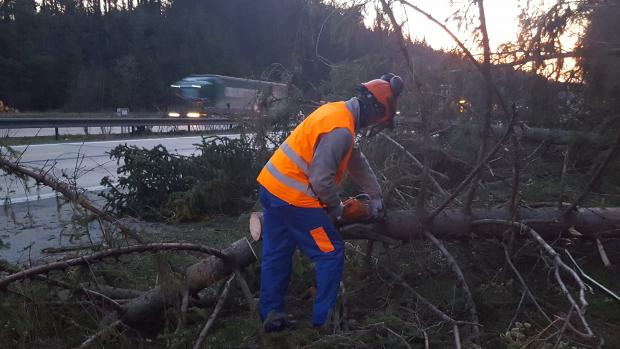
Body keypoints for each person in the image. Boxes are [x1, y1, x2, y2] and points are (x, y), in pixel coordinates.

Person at [256, 73, 404, 331]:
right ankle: (325, 320)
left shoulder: (337, 112)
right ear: (373, 110)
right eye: (378, 121)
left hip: (271, 187)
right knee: (330, 252)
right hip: (294, 199)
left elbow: (356, 160)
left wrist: (375, 195)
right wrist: (336, 211)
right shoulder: (341, 131)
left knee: (277, 253)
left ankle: (271, 316)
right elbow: (321, 180)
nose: (374, 126)